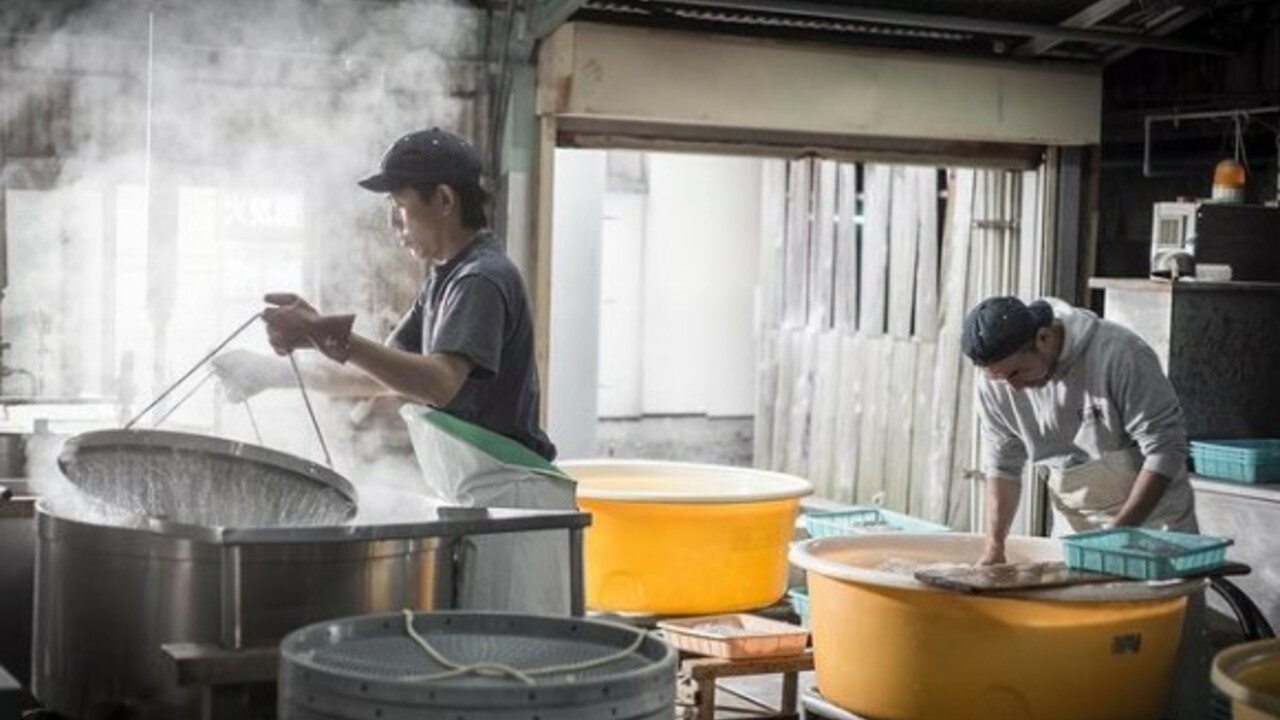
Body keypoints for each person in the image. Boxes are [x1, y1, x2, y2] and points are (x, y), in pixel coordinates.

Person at [214, 127, 572, 613]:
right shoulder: (445, 279)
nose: (393, 223)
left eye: (400, 206)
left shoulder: (481, 278)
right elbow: (379, 372)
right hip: (482, 495)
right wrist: (272, 373)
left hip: (513, 503)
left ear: (443, 199)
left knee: (505, 664)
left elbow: (438, 384)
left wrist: (328, 334)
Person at [962, 295, 1207, 718]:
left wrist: (1118, 535)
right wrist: (994, 546)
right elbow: (1003, 464)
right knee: (1077, 657)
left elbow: (1167, 449)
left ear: (1043, 337)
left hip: (1156, 525)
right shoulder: (998, 382)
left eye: (1018, 373)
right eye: (1001, 379)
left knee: (1166, 662)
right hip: (1076, 527)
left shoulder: (1119, 354)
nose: (1013, 387)